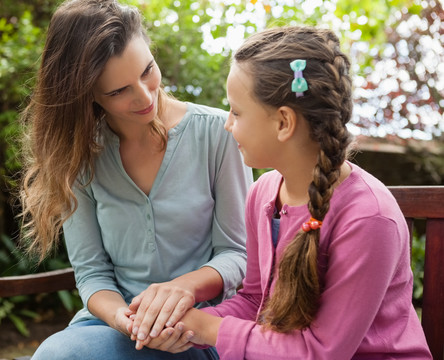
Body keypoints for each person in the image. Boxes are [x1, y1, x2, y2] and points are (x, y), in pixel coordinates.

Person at [137, 26, 432, 359]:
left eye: (236, 112)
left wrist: (207, 327)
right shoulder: (263, 192)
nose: (228, 124)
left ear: (283, 123)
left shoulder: (369, 218)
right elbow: (254, 301)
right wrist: (182, 325)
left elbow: (320, 352)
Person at [17, 0, 253, 359]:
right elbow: (93, 274)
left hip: (204, 322)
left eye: (147, 71)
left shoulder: (219, 134)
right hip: (116, 325)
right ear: (86, 94)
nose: (145, 96)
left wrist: (182, 291)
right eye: (117, 91)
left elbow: (237, 254)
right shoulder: (79, 155)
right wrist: (128, 321)